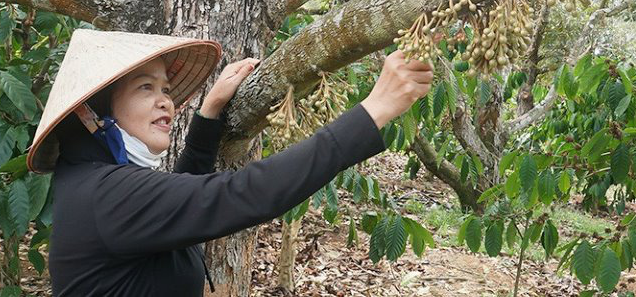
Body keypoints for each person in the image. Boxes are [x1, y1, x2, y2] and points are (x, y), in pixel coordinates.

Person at [27, 28, 433, 296]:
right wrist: (375, 109)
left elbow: (178, 207)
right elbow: (242, 194)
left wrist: (207, 117)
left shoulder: (89, 182)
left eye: (166, 88)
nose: (165, 99)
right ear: (91, 114)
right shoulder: (109, 194)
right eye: (145, 87)